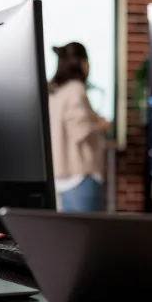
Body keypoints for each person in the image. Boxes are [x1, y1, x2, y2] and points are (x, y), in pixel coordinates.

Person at [48, 42, 109, 212]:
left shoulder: (54, 91)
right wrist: (99, 125)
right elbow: (80, 130)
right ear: (82, 63)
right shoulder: (76, 90)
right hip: (80, 177)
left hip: (61, 178)